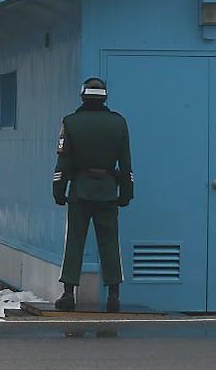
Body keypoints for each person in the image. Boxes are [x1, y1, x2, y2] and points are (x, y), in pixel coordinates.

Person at [52, 77, 133, 313]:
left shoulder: (71, 122)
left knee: (75, 241)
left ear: (82, 96)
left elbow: (63, 161)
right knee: (109, 243)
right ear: (105, 97)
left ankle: (68, 293)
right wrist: (126, 192)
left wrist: (59, 190)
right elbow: (126, 162)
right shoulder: (119, 123)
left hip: (80, 190)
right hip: (108, 190)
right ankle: (114, 295)